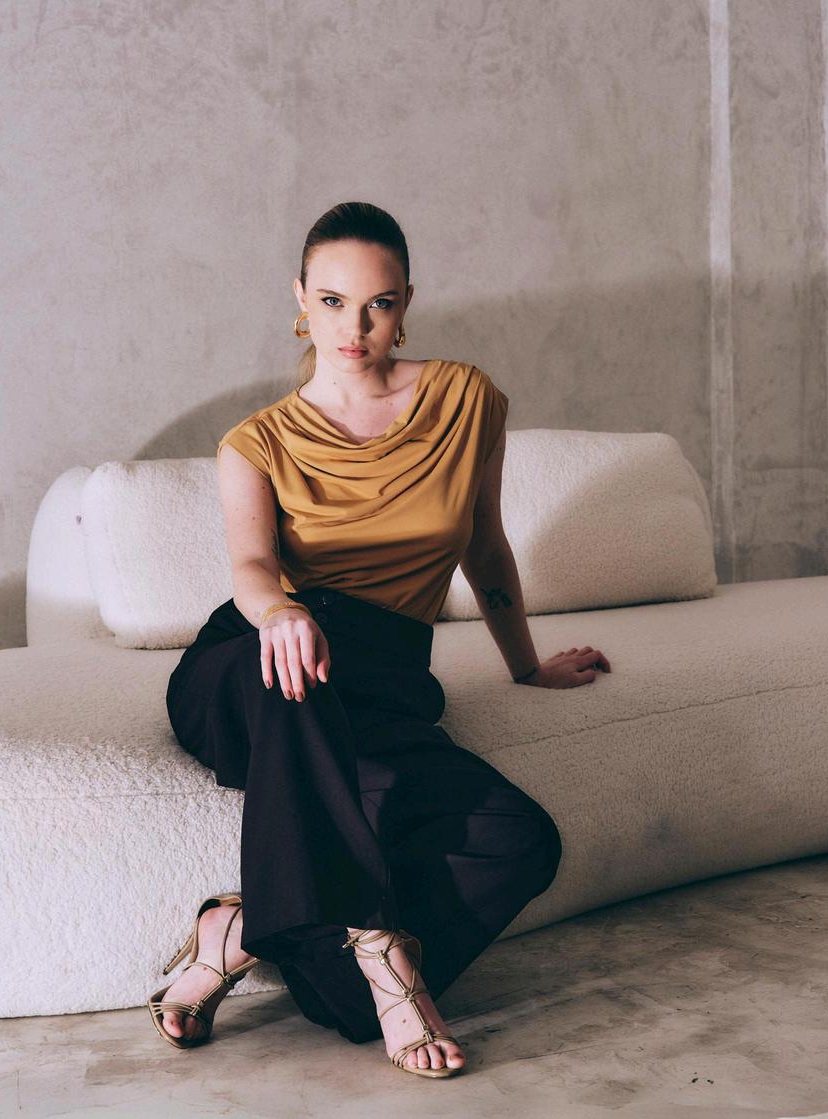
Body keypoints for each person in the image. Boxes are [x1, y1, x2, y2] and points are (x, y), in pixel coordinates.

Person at [149, 201, 611, 1079]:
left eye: (377, 304)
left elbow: (485, 545)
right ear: (300, 298)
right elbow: (252, 565)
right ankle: (377, 942)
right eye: (331, 301)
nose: (353, 328)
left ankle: (241, 931)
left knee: (520, 838)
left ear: (406, 303)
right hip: (255, 663)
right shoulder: (257, 441)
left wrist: (527, 667)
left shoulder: (466, 400)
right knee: (293, 669)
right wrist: (280, 612)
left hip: (379, 683)